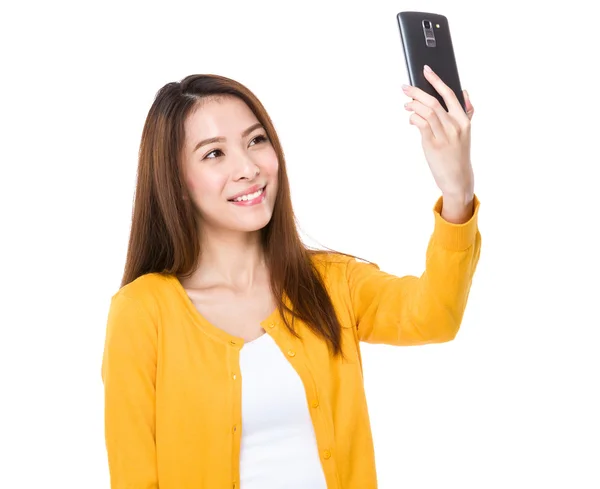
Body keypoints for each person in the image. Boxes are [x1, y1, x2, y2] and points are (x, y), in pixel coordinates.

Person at [101, 69, 480, 489]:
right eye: (214, 154)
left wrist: (457, 192)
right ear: (176, 182)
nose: (247, 167)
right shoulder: (141, 313)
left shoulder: (332, 283)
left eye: (255, 140)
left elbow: (434, 316)